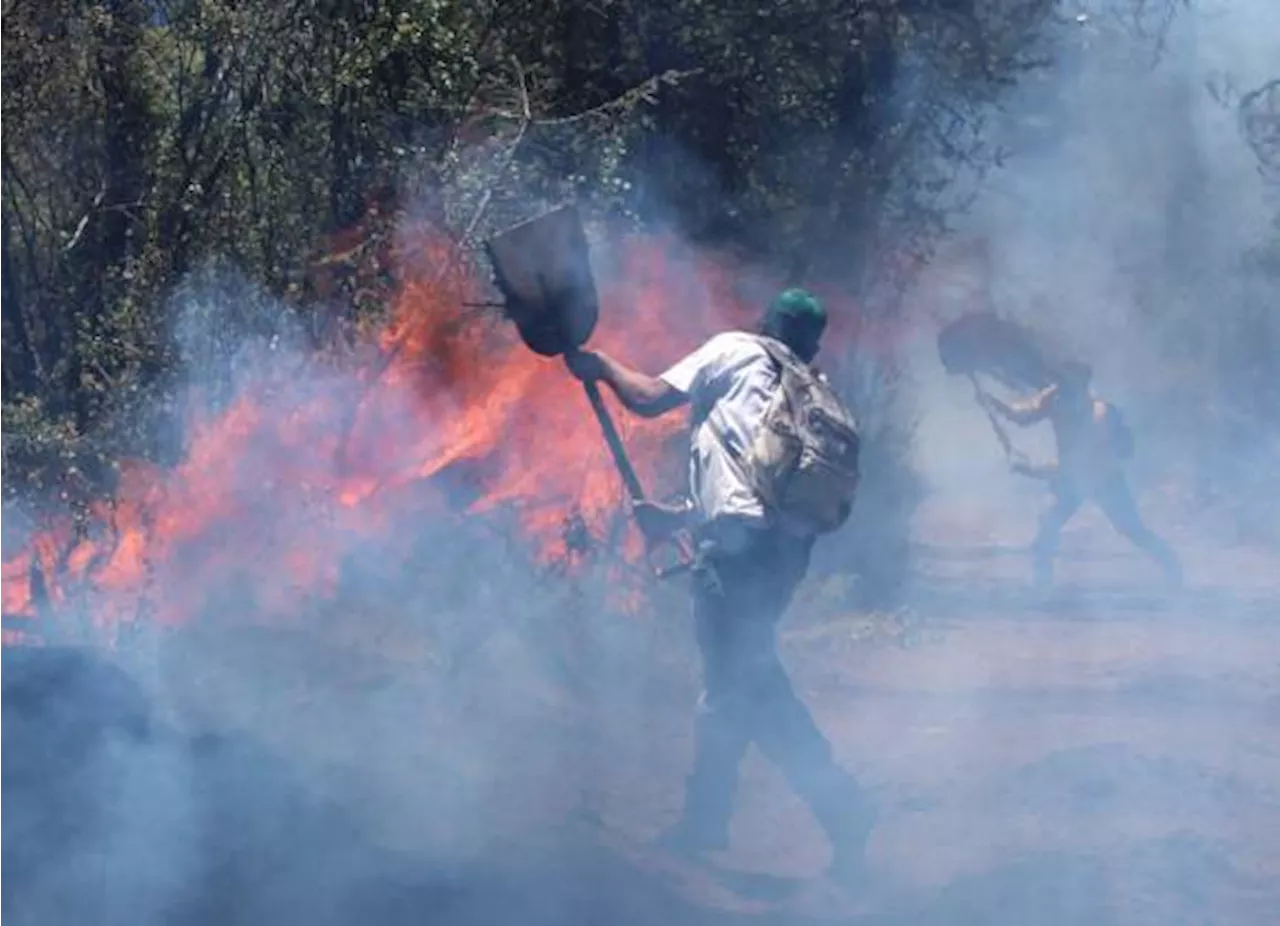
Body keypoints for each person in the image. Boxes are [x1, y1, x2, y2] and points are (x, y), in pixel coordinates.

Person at [563, 289, 875, 885]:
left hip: (737, 558)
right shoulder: (806, 384)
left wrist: (601, 365)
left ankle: (845, 808)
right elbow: (752, 489)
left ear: (767, 322)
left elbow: (649, 399)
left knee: (753, 687)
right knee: (729, 687)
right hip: (782, 557)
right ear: (810, 342)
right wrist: (677, 517)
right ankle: (705, 821)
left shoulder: (734, 349)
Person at [977, 361, 1182, 590]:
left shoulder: (1100, 413)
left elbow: (1080, 462)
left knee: (1131, 529)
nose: (1058, 387)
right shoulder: (1055, 399)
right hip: (1072, 479)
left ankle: (1173, 568)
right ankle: (1042, 587)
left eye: (1066, 382)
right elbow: (1024, 415)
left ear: (1081, 384)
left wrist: (1031, 470)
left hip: (1102, 479)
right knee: (1047, 528)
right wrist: (995, 404)